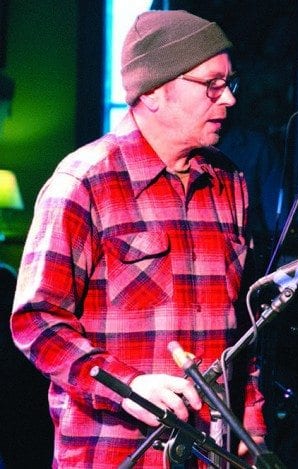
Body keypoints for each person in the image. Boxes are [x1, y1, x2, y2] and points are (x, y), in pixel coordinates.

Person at [11, 10, 265, 468]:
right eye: (210, 84)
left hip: (213, 455)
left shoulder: (231, 183)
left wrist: (252, 422)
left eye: (230, 83)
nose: (227, 98)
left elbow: (242, 323)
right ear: (153, 90)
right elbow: (36, 322)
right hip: (117, 454)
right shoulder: (85, 182)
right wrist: (128, 387)